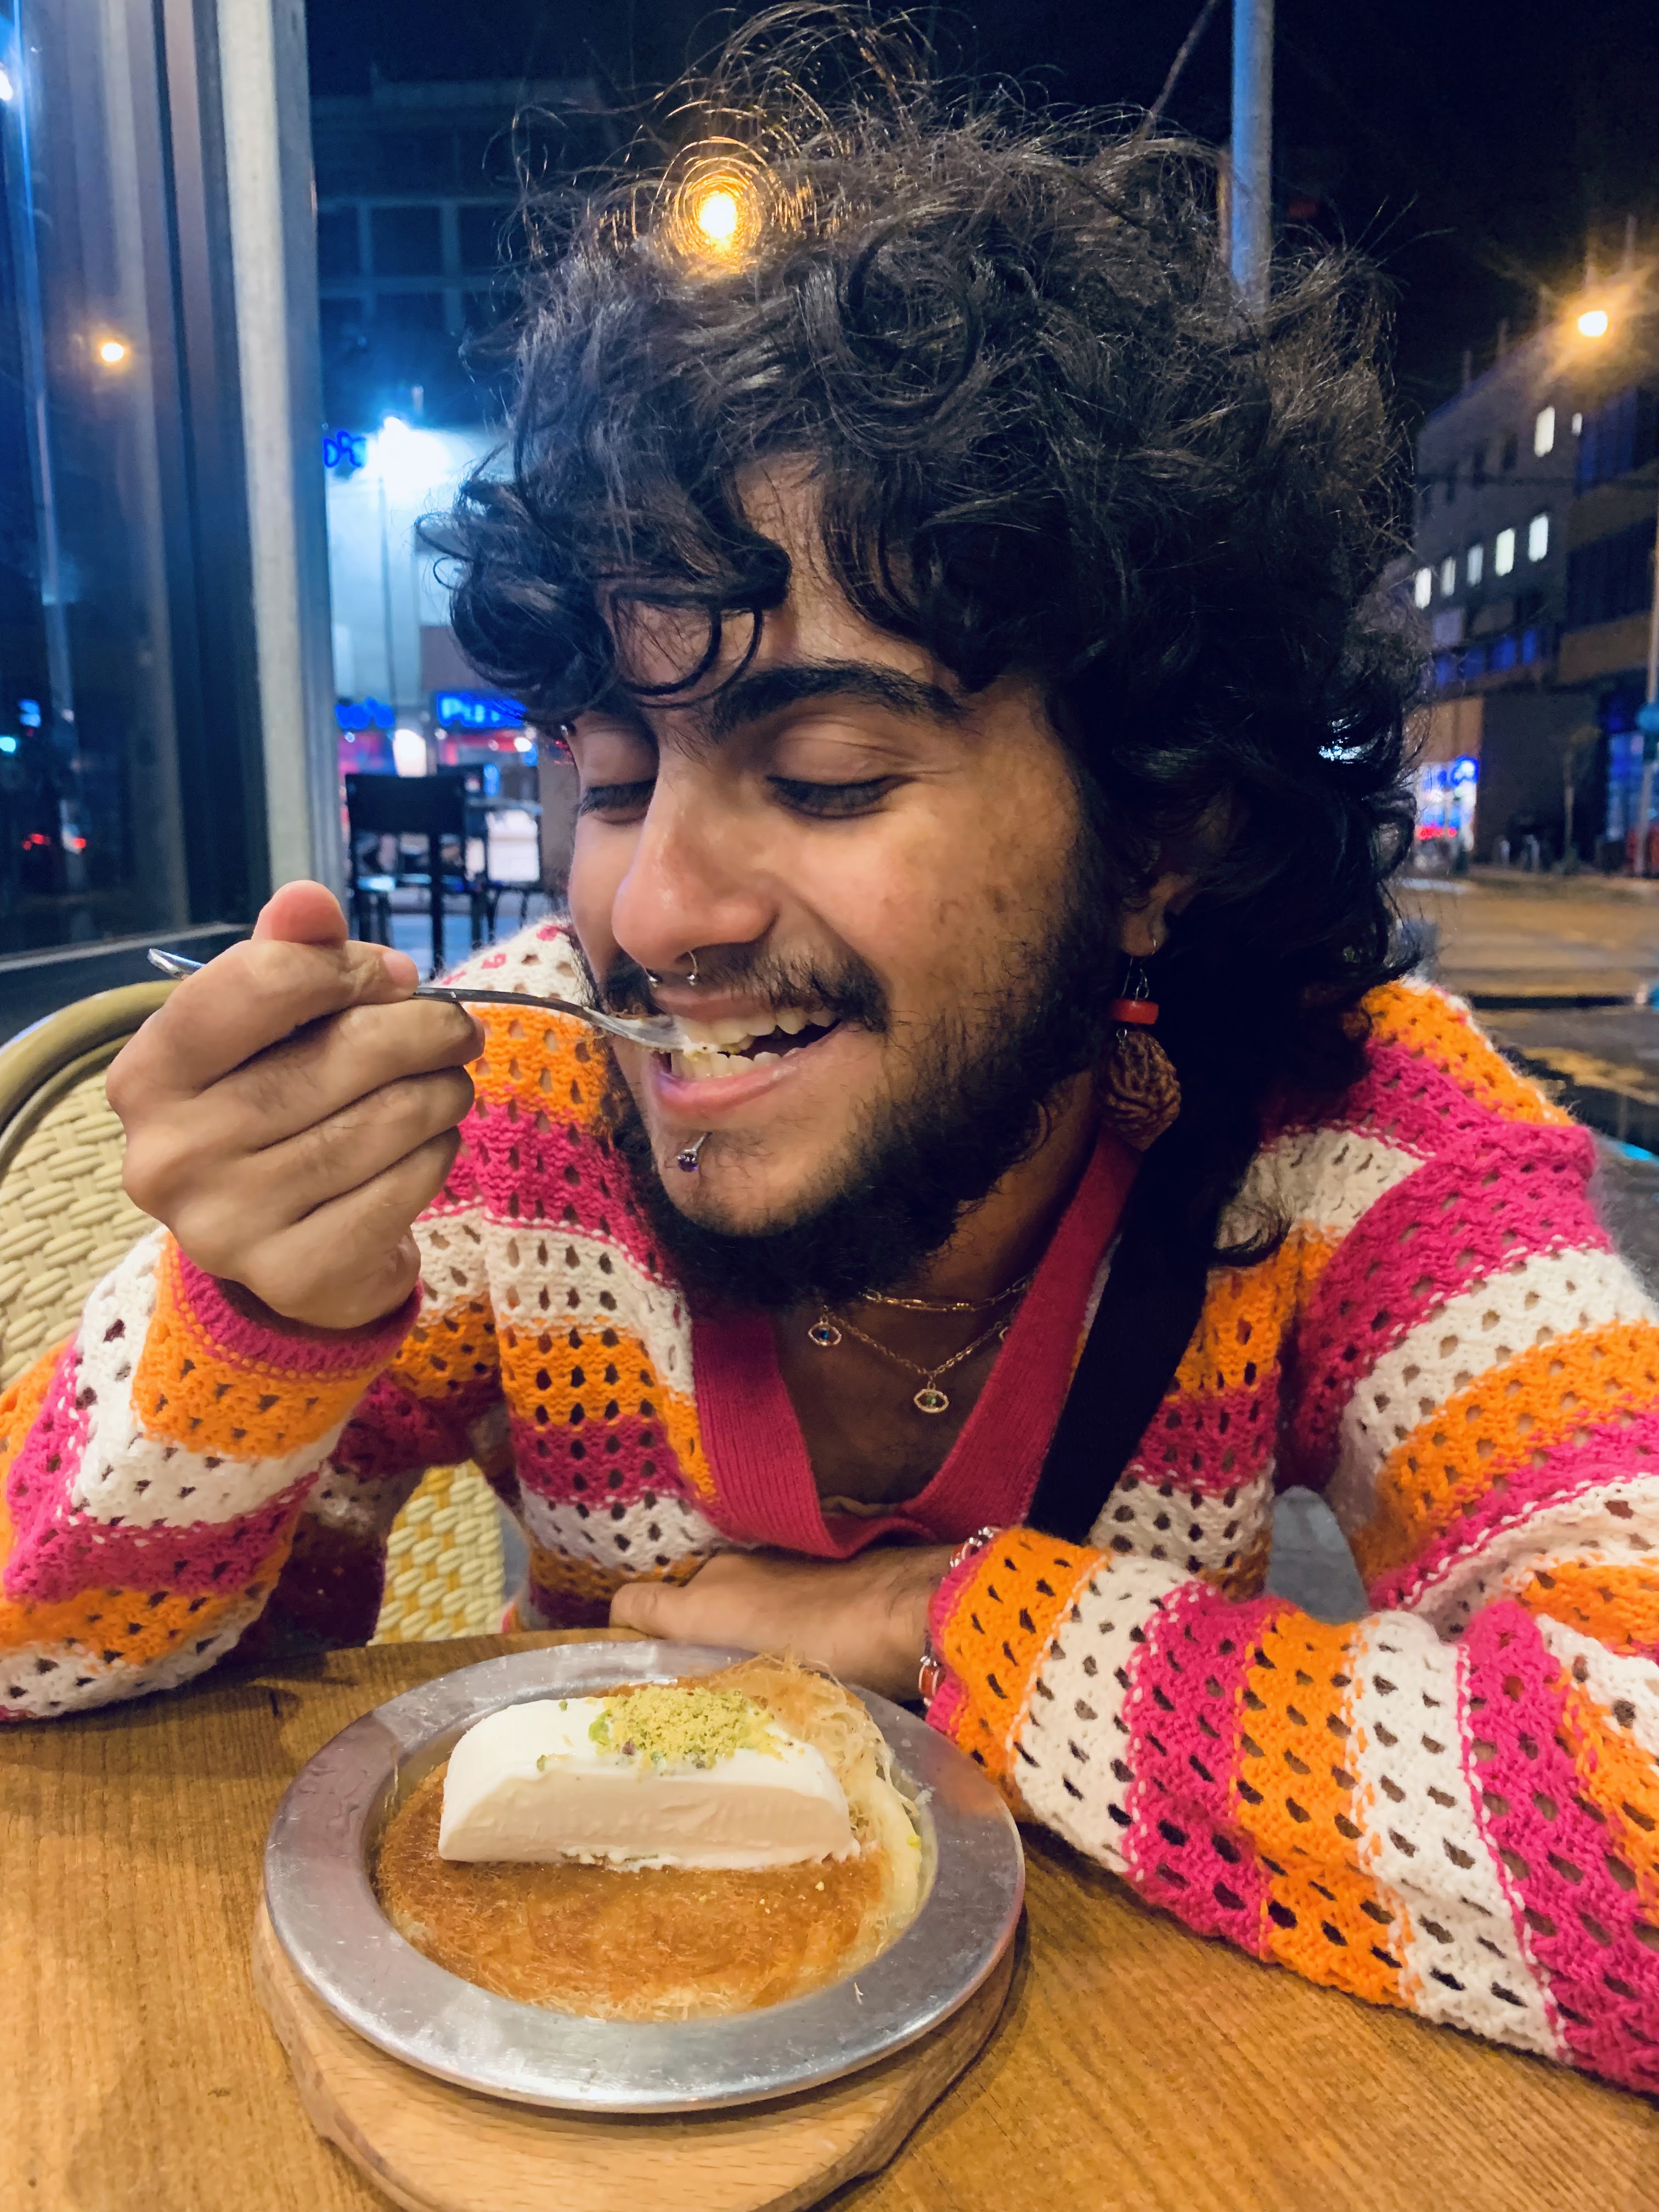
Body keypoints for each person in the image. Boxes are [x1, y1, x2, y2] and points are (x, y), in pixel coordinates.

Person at [5, 13, 1657, 2095]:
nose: (655, 909)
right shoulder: (506, 1138)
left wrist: (943, 1624)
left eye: (831, 771)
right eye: (610, 778)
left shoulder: (1351, 1144)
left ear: (1160, 832)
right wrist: (247, 1320)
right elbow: (53, 1666)